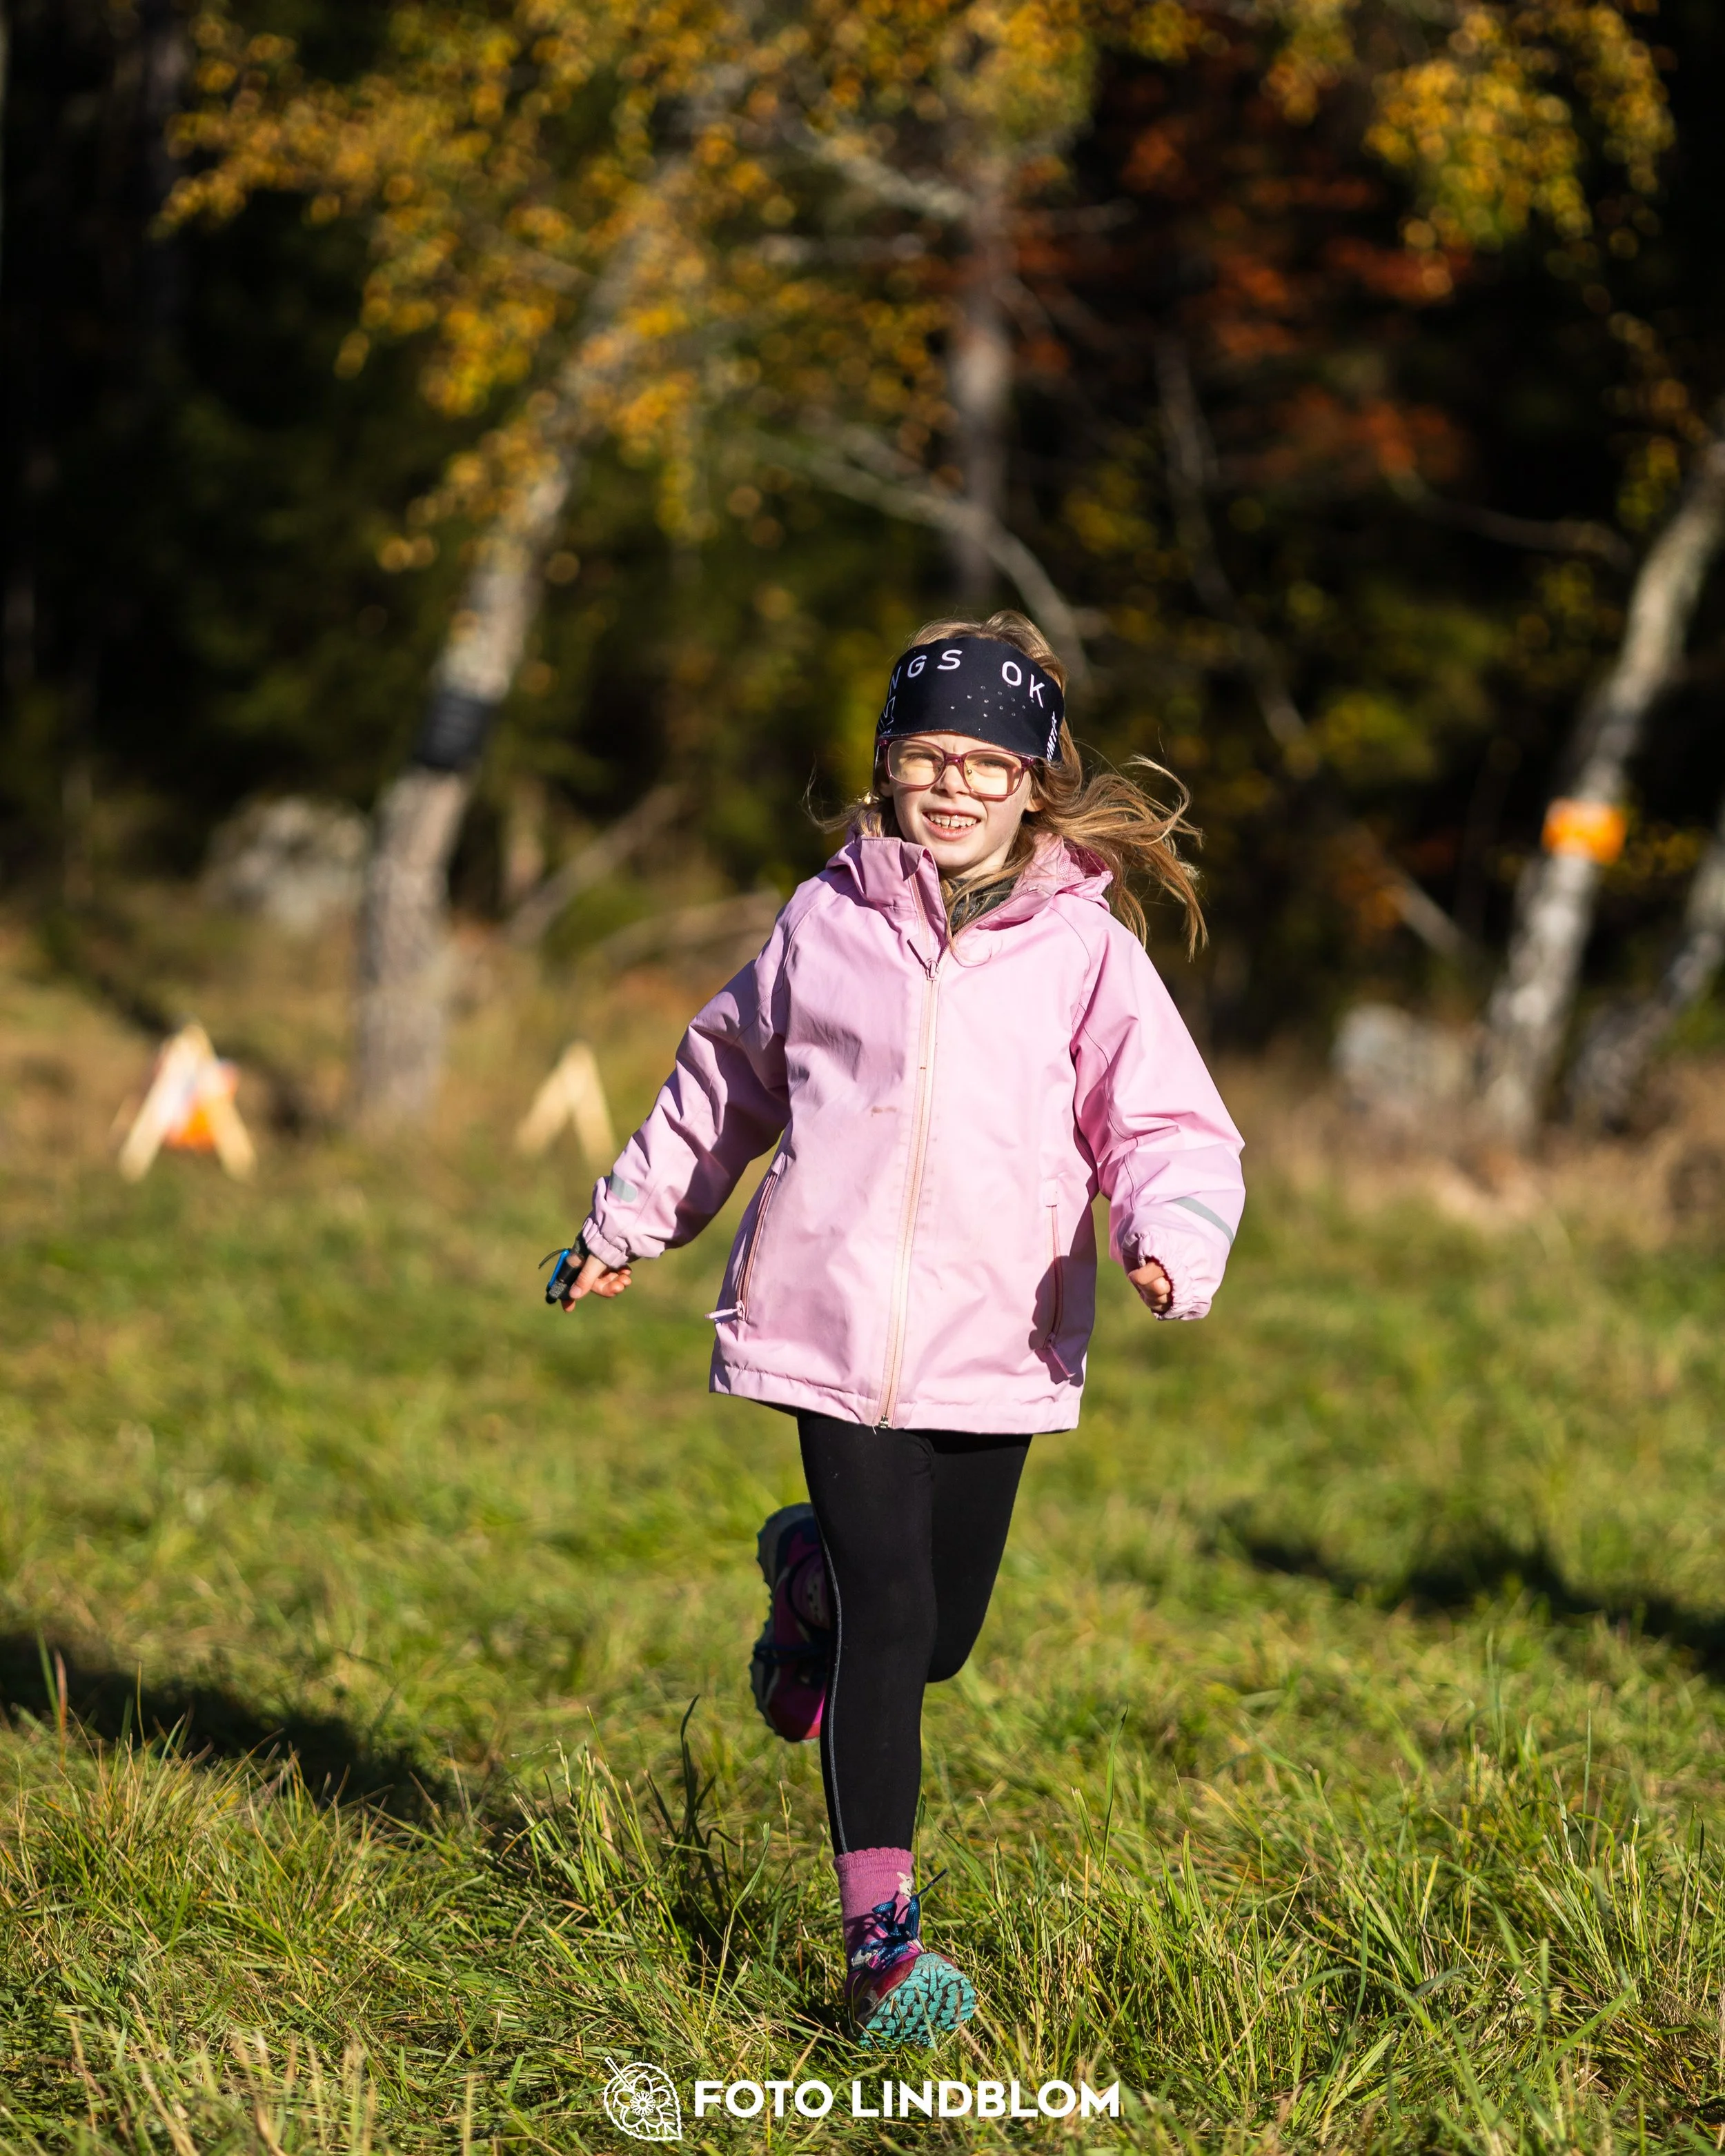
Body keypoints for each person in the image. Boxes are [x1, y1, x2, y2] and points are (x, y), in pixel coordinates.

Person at [558, 611, 1244, 2047]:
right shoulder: (826, 919)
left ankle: (800, 1577)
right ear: (884, 763)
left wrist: (1169, 1238)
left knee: (938, 1633)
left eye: (983, 764)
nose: (949, 785)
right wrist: (623, 1221)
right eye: (924, 756)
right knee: (897, 1619)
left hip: (998, 1335)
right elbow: (720, 1083)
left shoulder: (1082, 950)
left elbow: (1164, 1121)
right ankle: (882, 1942)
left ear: (1035, 782)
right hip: (830, 1318)